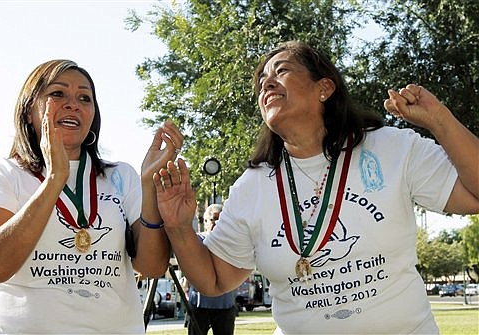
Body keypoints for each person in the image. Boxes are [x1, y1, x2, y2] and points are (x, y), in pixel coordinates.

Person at [152, 41, 479, 334]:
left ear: (324, 87)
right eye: (262, 80)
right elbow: (213, 280)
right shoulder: (251, 186)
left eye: (281, 70)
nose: (267, 82)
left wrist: (439, 120)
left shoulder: (392, 148)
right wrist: (179, 227)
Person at [0, 59, 181, 334]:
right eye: (57, 93)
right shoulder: (1, 174)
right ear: (29, 109)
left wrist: (149, 188)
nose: (73, 104)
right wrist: (55, 179)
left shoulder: (122, 177)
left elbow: (151, 267)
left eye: (84, 97)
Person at [183, 204, 237, 335]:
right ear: (205, 221)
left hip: (225, 306)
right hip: (199, 305)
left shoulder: (232, 242)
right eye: (214, 219)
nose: (217, 223)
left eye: (221, 220)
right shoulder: (196, 240)